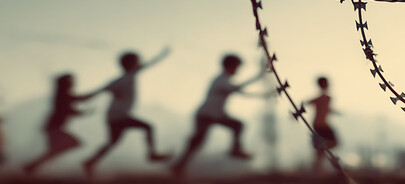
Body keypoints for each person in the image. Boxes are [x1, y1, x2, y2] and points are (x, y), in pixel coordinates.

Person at [82, 48, 172, 178]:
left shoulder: (129, 76)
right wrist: (75, 98)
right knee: (148, 127)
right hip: (118, 116)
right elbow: (97, 92)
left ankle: (90, 162)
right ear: (131, 64)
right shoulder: (122, 80)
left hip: (114, 116)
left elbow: (148, 64)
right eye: (137, 61)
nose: (140, 63)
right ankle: (152, 154)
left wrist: (162, 55)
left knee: (112, 142)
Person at [171, 54, 265, 176]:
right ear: (229, 66)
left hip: (215, 115)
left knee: (234, 126)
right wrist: (259, 75)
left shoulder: (224, 80)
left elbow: (240, 91)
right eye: (236, 67)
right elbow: (238, 89)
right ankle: (179, 165)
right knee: (198, 140)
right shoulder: (221, 80)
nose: (237, 70)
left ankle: (179, 165)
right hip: (206, 115)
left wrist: (263, 92)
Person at [23, 74, 101, 175]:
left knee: (56, 150)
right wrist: (99, 93)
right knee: (71, 144)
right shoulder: (63, 96)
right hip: (54, 128)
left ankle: (31, 166)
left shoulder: (62, 95)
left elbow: (75, 104)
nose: (72, 84)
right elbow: (73, 107)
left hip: (53, 128)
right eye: (70, 82)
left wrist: (84, 111)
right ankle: (31, 166)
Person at [308, 77, 339, 172]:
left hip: (319, 124)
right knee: (333, 142)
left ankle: (318, 164)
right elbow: (316, 104)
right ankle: (319, 161)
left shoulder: (324, 98)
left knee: (322, 145)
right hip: (321, 125)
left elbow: (323, 109)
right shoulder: (325, 98)